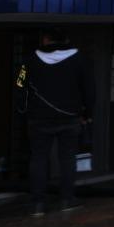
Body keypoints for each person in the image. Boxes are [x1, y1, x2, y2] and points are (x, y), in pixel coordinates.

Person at [18, 30, 93, 215]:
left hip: (38, 118)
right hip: (70, 117)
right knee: (67, 159)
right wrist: (88, 113)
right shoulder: (80, 59)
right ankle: (67, 200)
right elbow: (90, 88)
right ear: (66, 39)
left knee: (38, 159)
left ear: (45, 39)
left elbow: (19, 85)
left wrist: (23, 111)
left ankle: (38, 203)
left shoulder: (28, 61)